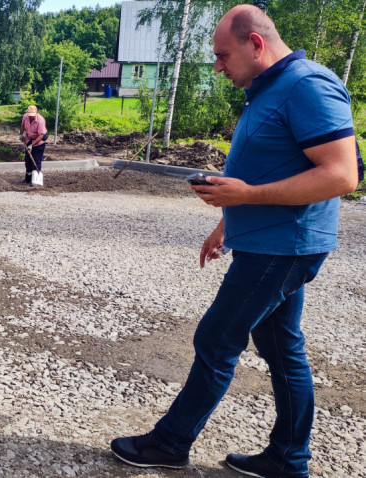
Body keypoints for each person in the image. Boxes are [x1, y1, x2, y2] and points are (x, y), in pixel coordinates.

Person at [110, 5, 359, 478]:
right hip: (268, 241)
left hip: (286, 245)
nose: (218, 66)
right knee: (281, 345)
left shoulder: (308, 85)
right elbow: (271, 166)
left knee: (218, 337)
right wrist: (228, 220)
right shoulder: (269, 89)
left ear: (256, 44)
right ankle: (288, 458)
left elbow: (342, 174)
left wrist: (247, 195)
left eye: (223, 55)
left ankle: (170, 443)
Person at [19, 105, 47, 184]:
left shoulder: (40, 120)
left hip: (39, 141)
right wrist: (21, 134)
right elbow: (22, 126)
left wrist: (32, 145)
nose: (31, 117)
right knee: (28, 160)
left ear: (36, 113)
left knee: (36, 160)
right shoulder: (25, 117)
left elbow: (41, 135)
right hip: (29, 139)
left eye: (32, 116)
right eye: (29, 115)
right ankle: (28, 179)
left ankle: (35, 180)